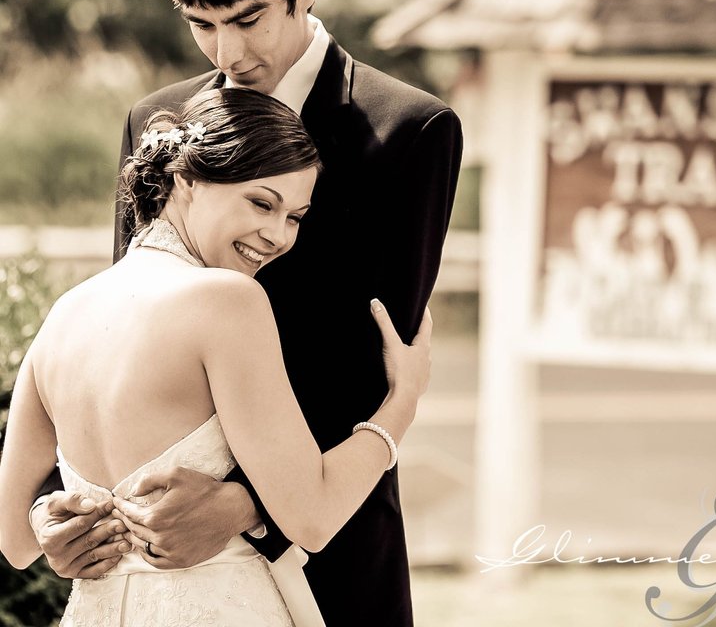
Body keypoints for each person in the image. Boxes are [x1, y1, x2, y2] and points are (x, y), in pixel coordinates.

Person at [30, 0, 463, 627]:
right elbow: (117, 327)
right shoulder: (154, 121)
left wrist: (248, 505)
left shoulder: (407, 132)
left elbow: (378, 355)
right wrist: (54, 510)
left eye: (248, 18)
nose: (228, 52)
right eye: (202, 24)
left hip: (332, 549)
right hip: (147, 554)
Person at [0, 87, 433, 626]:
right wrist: (403, 401)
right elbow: (314, 516)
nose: (277, 236)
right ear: (185, 181)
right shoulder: (229, 301)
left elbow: (16, 541)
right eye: (261, 203)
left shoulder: (64, 314)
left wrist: (52, 512)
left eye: (295, 217)